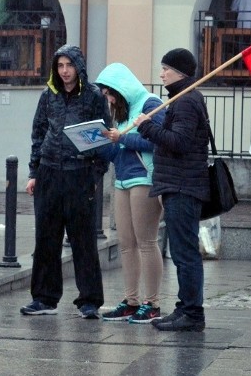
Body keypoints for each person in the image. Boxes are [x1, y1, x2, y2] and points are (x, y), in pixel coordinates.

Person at [21, 45, 110, 319]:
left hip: (79, 173)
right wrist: (33, 172)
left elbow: (103, 135)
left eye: (69, 65)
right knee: (46, 238)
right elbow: (38, 133)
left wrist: (96, 174)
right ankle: (44, 298)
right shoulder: (49, 95)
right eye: (60, 66)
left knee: (83, 239)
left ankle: (89, 300)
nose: (64, 71)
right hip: (49, 172)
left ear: (78, 66)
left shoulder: (94, 96)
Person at [134, 48, 209, 332]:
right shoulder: (182, 99)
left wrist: (147, 127)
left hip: (183, 186)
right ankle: (185, 307)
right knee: (181, 252)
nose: (161, 73)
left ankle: (192, 314)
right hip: (177, 184)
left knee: (185, 253)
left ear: (181, 73)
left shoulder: (187, 101)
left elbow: (178, 142)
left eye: (166, 68)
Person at [95, 63, 166, 324]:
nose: (109, 99)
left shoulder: (150, 104)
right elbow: (118, 152)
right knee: (126, 243)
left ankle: (153, 303)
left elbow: (156, 140)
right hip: (123, 179)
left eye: (110, 93)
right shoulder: (123, 112)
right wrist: (99, 144)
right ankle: (131, 300)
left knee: (146, 241)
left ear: (122, 88)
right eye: (105, 95)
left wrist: (121, 138)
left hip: (143, 178)